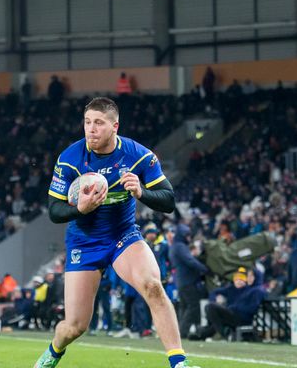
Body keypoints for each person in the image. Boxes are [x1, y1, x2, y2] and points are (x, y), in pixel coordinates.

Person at [35, 97, 196, 368]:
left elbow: (168, 200)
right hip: (83, 242)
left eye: (98, 123)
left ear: (115, 126)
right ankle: (53, 351)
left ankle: (179, 362)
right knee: (74, 327)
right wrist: (80, 209)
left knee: (153, 286)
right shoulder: (70, 158)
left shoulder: (138, 155)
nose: (91, 129)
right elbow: (54, 211)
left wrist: (142, 192)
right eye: (87, 122)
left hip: (123, 235)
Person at [189, 267, 266, 341]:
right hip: (234, 314)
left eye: (250, 276)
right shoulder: (247, 289)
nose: (248, 278)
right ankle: (203, 334)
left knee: (211, 308)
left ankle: (221, 333)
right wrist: (216, 299)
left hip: (241, 317)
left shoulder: (257, 290)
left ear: (256, 277)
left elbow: (252, 308)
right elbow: (215, 292)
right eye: (248, 276)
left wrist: (234, 307)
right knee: (216, 316)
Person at [170, 224, 207, 339]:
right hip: (187, 281)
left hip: (181, 281)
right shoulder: (180, 246)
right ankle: (183, 332)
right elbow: (190, 260)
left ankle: (184, 332)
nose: (189, 238)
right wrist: (204, 269)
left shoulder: (175, 246)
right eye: (187, 235)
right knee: (193, 306)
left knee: (184, 307)